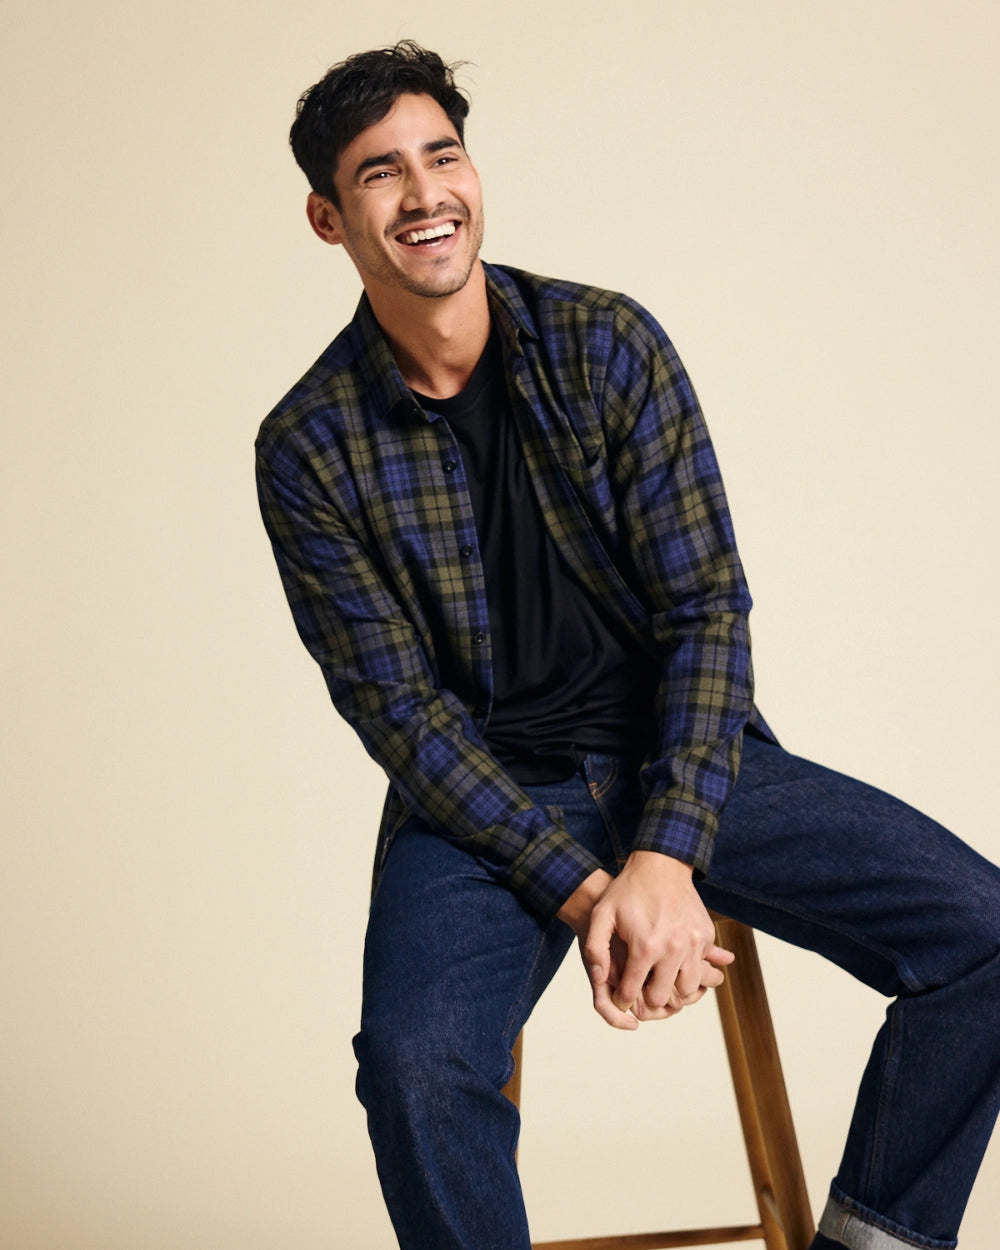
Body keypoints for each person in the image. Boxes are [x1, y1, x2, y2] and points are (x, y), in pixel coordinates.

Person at [255, 40, 1000, 1250]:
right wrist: (588, 884)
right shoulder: (308, 446)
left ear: (474, 170)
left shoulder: (604, 345)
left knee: (985, 931)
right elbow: (397, 712)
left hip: (685, 761)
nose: (424, 191)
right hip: (485, 806)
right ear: (328, 217)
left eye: (442, 154)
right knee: (413, 1063)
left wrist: (666, 849)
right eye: (381, 174)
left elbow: (706, 607)